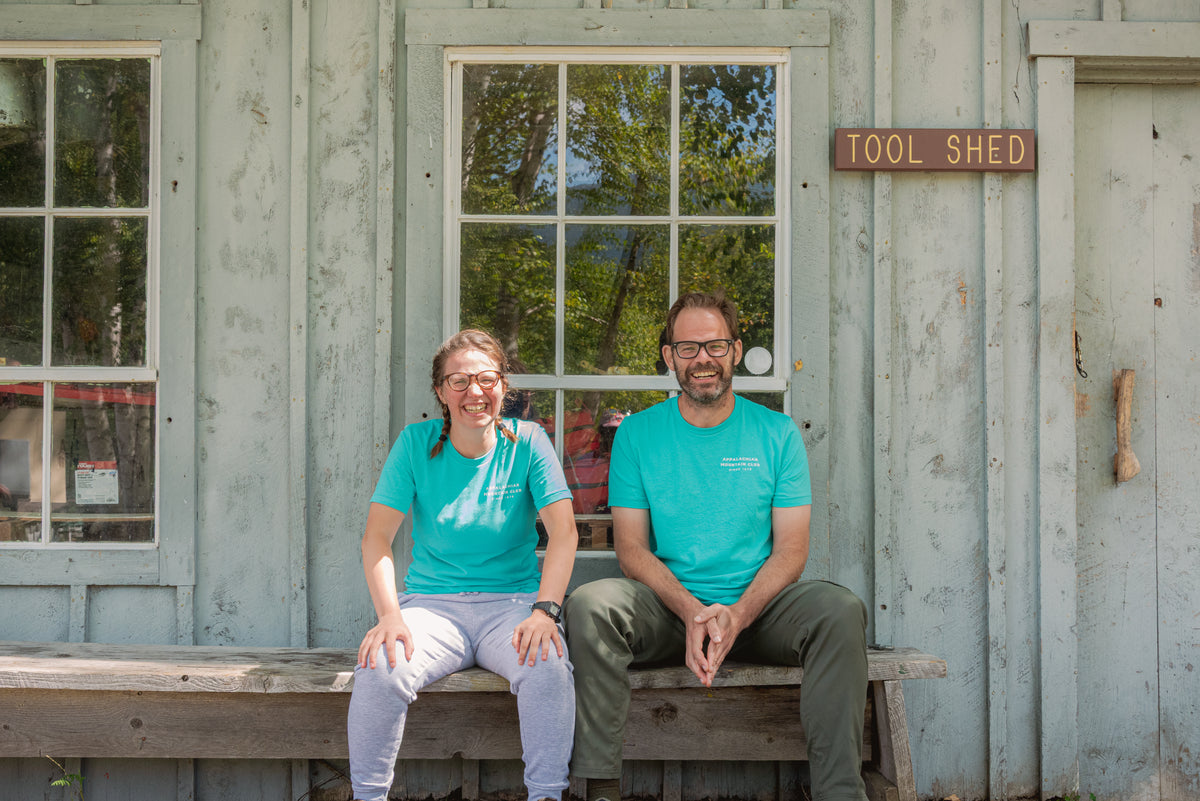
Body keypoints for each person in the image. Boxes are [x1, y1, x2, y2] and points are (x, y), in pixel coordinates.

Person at [565, 291, 870, 801]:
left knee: (840, 611)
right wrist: (691, 612)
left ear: (735, 351)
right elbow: (633, 550)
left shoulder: (777, 434)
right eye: (687, 348)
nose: (702, 358)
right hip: (669, 610)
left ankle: (841, 793)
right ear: (669, 357)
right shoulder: (639, 434)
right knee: (590, 606)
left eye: (714, 345)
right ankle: (600, 789)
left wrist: (740, 613)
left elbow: (792, 549)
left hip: (761, 608)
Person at [348, 329, 578, 801]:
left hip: (513, 606)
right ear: (440, 391)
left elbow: (565, 532)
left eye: (486, 378)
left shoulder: (529, 441)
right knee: (379, 666)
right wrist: (390, 617)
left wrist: (545, 611)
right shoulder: (416, 444)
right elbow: (376, 538)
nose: (475, 392)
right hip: (432, 609)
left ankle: (548, 796)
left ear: (502, 386)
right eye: (459, 381)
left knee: (548, 666)